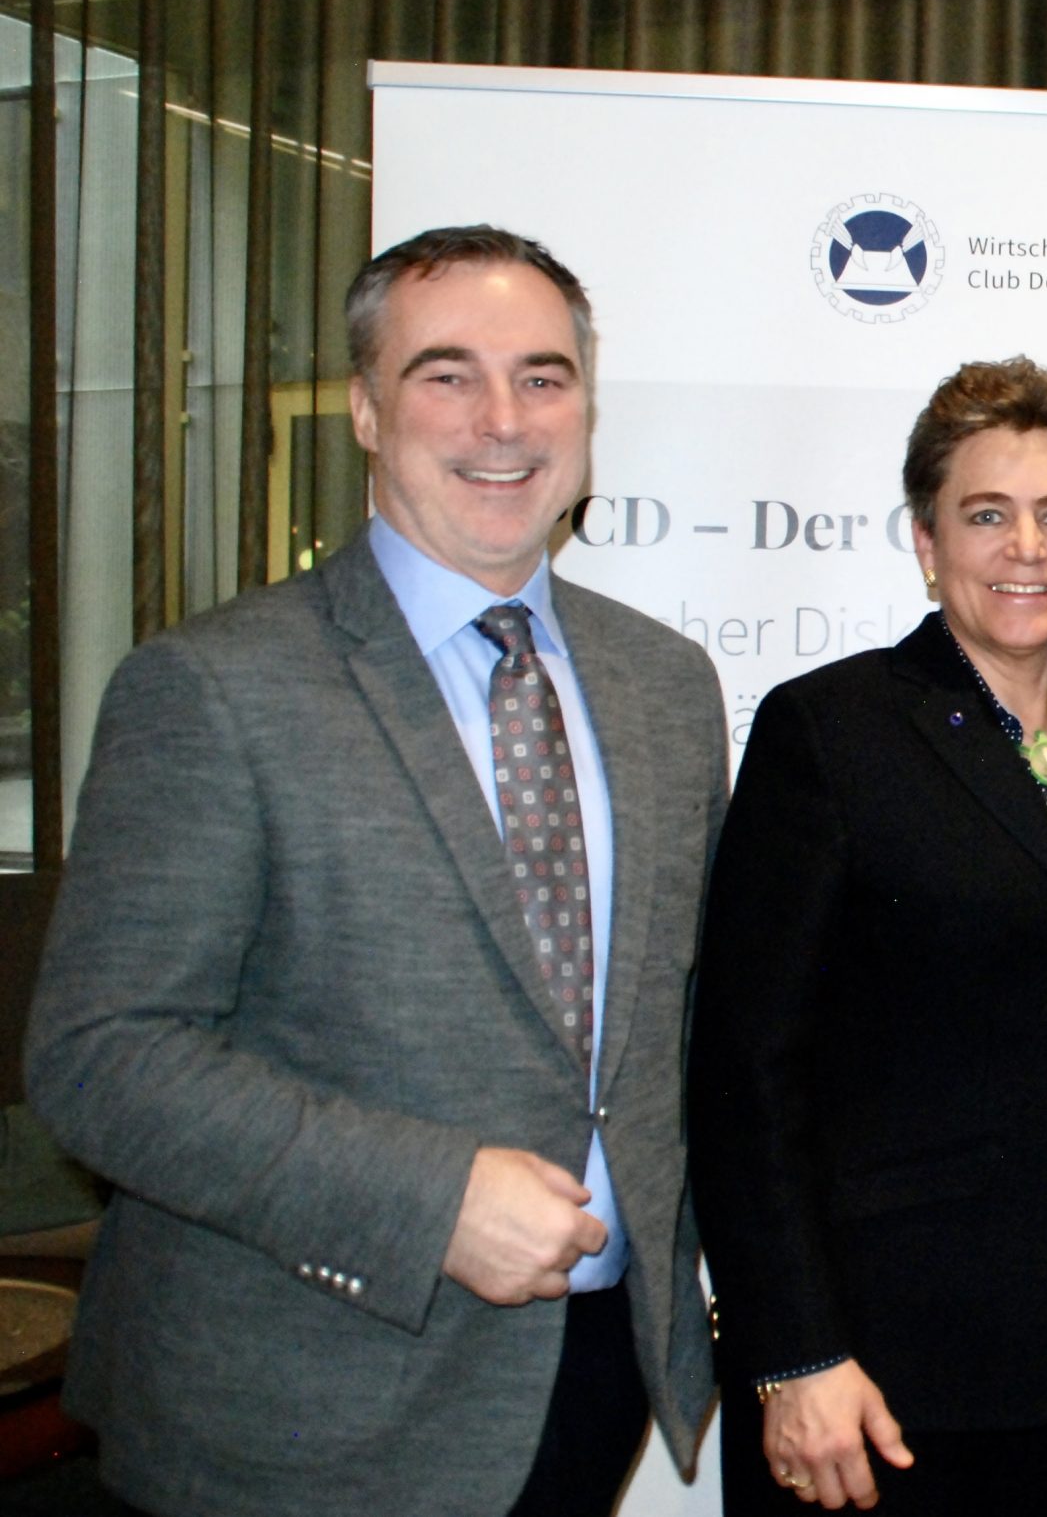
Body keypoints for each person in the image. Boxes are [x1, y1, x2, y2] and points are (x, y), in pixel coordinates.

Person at [26, 225, 728, 1515]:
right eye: (446, 374)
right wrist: (431, 1198)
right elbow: (101, 1056)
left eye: (543, 376)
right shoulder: (213, 688)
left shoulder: (664, 687)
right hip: (295, 1413)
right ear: (363, 407)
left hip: (587, 1385)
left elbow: (683, 1027)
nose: (503, 420)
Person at [689, 358, 1047, 1514]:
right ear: (927, 541)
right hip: (887, 1363)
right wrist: (793, 1350)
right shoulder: (830, 732)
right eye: (986, 514)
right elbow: (745, 1072)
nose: (1025, 547)